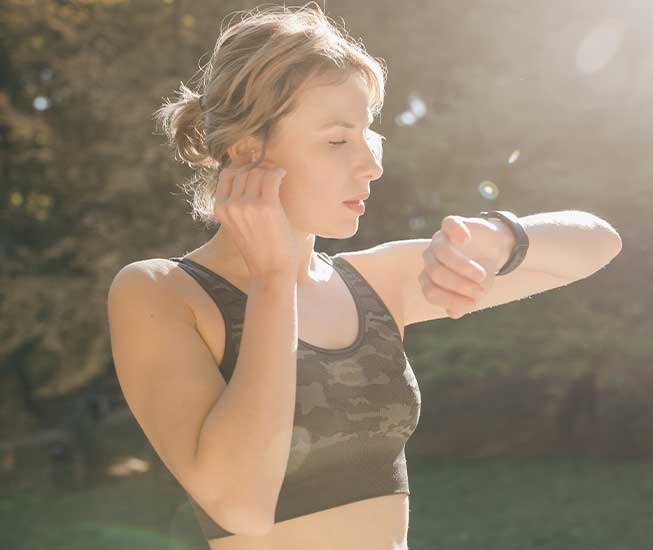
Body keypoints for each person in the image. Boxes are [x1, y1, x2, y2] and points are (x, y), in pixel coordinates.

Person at [107, 4, 419, 549]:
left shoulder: (367, 282)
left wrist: (502, 233)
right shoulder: (158, 292)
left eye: (369, 135)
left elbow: (596, 243)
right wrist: (274, 278)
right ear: (248, 149)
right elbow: (241, 506)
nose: (373, 166)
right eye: (338, 139)